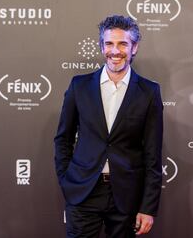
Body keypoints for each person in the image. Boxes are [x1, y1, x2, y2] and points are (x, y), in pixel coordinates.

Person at [54, 15, 163, 238]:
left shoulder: (149, 92)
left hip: (127, 195)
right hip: (84, 191)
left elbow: (153, 154)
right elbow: (63, 138)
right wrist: (67, 180)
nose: (116, 51)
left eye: (123, 43)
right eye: (109, 43)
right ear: (101, 46)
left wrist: (148, 207)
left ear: (134, 48)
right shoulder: (79, 86)